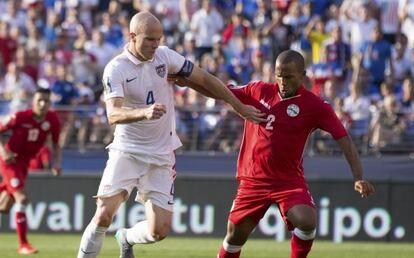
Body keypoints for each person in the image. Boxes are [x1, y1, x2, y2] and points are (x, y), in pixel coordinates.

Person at [76, 11, 265, 258]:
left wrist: (238, 106)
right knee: (103, 213)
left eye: (159, 39)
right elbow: (113, 114)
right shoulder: (116, 68)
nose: (156, 45)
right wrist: (143, 112)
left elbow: (205, 79)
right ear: (133, 36)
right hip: (127, 150)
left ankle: (126, 237)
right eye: (150, 40)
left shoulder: (165, 57)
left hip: (162, 153)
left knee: (159, 231)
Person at [172, 50, 375, 258]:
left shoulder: (316, 106)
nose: (282, 81)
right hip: (253, 180)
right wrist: (189, 83)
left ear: (303, 75)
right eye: (278, 75)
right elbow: (221, 91)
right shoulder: (258, 90)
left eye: (288, 77)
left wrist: (358, 176)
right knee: (234, 237)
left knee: (307, 221)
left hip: (288, 181)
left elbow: (344, 139)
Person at [0, 87, 62, 255]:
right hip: (10, 161)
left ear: (50, 103)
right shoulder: (20, 117)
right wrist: (3, 152)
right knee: (22, 198)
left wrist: (56, 163)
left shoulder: (53, 119)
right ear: (33, 102)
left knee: (4, 206)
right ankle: (23, 244)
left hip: (24, 164)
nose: (42, 104)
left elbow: (56, 143)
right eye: (39, 101)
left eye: (46, 101)